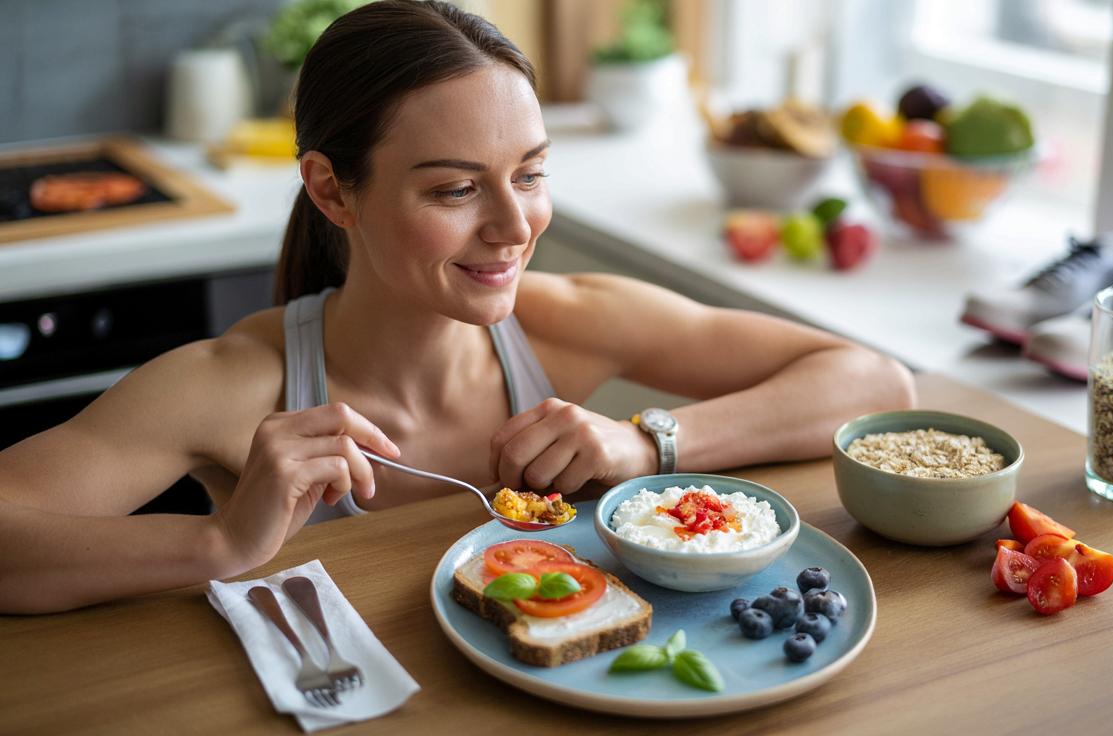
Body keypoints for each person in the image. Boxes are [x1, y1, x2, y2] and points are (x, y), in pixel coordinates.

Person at [0, 0, 913, 614]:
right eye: (454, 191)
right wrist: (213, 545)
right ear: (331, 192)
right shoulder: (233, 386)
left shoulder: (566, 321)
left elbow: (873, 382)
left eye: (531, 174)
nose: (515, 227)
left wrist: (649, 444)